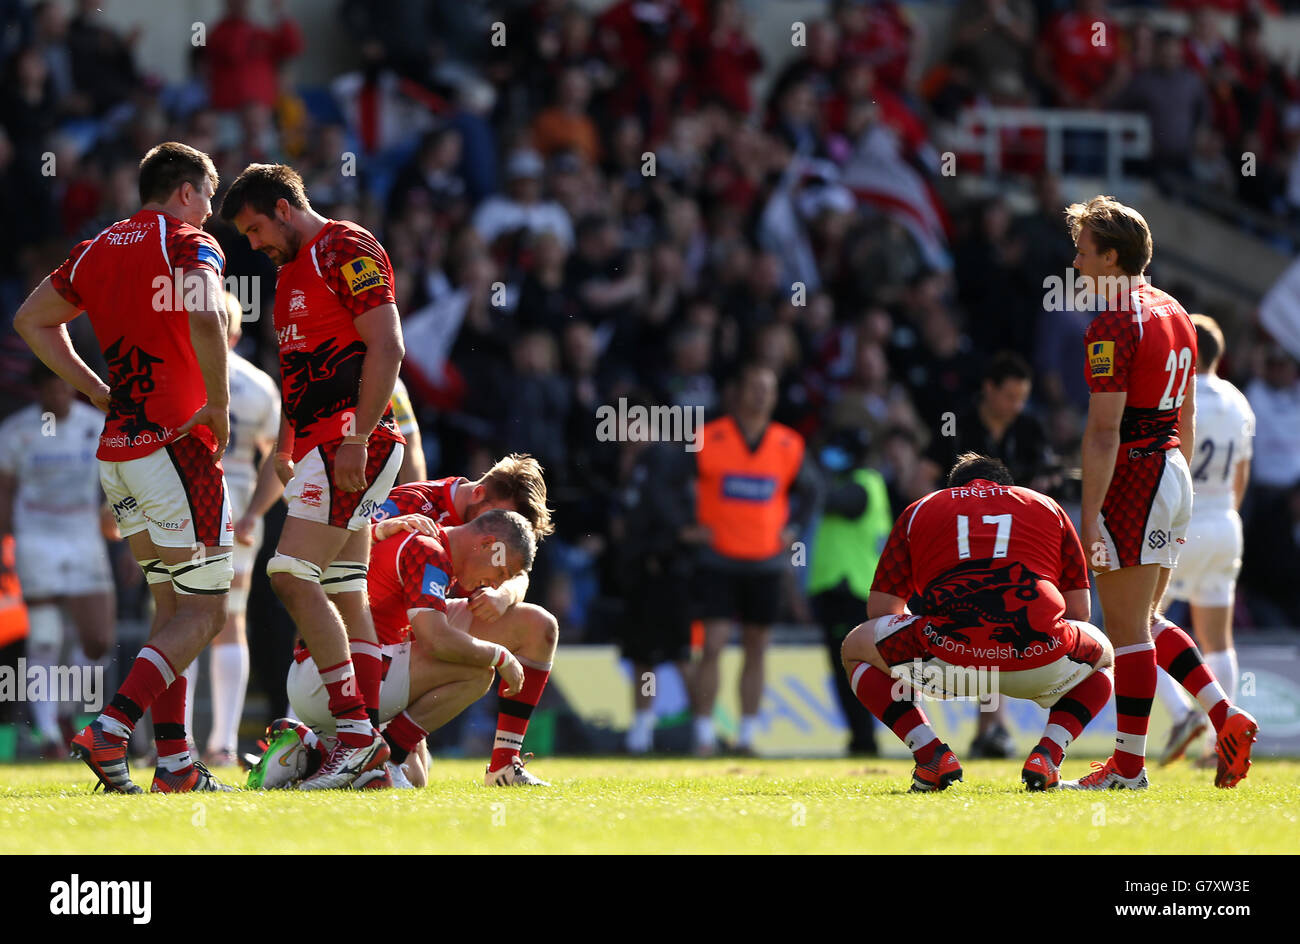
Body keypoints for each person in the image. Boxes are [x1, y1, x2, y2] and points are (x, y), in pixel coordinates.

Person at [15, 141, 234, 793]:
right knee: (208, 613)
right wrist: (217, 403)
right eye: (209, 200)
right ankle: (111, 729)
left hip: (118, 451)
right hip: (178, 446)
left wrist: (90, 388)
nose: (210, 215)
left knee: (173, 607)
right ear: (187, 192)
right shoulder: (187, 240)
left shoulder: (97, 246)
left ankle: (174, 765)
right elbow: (202, 311)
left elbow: (31, 320)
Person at [220, 162, 406, 789]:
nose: (254, 245)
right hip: (320, 446)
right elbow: (301, 371)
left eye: (253, 230)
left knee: (289, 574)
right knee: (348, 589)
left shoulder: (345, 246)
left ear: (281, 206)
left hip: (356, 444)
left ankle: (353, 735)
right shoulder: (288, 274)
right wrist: (286, 445)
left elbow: (387, 345)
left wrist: (355, 436)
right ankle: (375, 756)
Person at [1071, 194, 1256, 789]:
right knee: (1145, 620)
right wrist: (1173, 474)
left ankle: (1127, 766)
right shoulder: (1176, 311)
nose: (1075, 264)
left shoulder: (1113, 323)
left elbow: (1103, 432)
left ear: (1111, 256)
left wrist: (1091, 513)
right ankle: (1225, 715)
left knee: (1126, 631)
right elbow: (1187, 414)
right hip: (1174, 471)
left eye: (1082, 251)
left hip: (1135, 474)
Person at [841, 453, 1115, 792]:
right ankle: (1048, 755)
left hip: (948, 661)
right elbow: (1078, 613)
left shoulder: (921, 509)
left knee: (855, 646)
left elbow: (882, 611)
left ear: (953, 489)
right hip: (1037, 654)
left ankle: (930, 755)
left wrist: (930, 627)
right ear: (1007, 486)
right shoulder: (1047, 506)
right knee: (1103, 657)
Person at [280, 510, 539, 788]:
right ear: (488, 544)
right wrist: (501, 656)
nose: (496, 584)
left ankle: (309, 752)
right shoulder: (427, 549)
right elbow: (435, 639)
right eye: (500, 572)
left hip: (324, 678)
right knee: (478, 672)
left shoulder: (429, 544)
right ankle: (384, 757)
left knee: (416, 779)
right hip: (335, 681)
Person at [370, 455, 559, 785]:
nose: (504, 527)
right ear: (478, 495)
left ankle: (504, 765)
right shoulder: (413, 502)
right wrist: (380, 529)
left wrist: (504, 594)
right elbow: (348, 550)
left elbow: (520, 574)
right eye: (500, 517)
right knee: (415, 778)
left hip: (433, 621)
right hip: (384, 636)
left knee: (539, 626)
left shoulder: (494, 534)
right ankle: (323, 740)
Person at [921, 350, 1059, 757]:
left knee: (991, 627)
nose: (1016, 406)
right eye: (1010, 396)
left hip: (1012, 544)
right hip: (957, 542)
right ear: (989, 389)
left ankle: (989, 727)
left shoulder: (1030, 428)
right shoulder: (955, 424)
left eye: (1022, 397)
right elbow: (927, 476)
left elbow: (1045, 484)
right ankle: (984, 728)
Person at [691, 363, 822, 756]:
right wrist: (689, 525)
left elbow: (814, 493)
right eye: (754, 387)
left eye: (769, 388)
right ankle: (703, 736)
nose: (761, 395)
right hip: (717, 558)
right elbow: (673, 484)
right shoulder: (707, 439)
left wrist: (793, 529)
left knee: (756, 646)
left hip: (765, 561)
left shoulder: (788, 444)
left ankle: (746, 736)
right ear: (738, 392)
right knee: (711, 646)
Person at [181, 292, 281, 766]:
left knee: (179, 617)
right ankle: (220, 744)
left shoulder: (179, 374)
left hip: (182, 504)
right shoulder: (259, 386)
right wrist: (254, 514)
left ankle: (176, 743)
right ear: (238, 332)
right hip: (236, 506)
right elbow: (281, 461)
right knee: (229, 621)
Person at [0, 361, 117, 757]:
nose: (58, 395)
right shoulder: (17, 431)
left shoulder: (95, 424)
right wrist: (4, 544)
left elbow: (119, 481)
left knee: (98, 641)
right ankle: (48, 732)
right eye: (51, 389)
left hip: (84, 536)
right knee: (46, 637)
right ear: (39, 392)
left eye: (64, 387)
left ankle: (66, 709)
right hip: (36, 538)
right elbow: (4, 490)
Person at [1156, 314, 1254, 766]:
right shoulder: (1239, 402)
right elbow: (1241, 476)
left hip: (1185, 518)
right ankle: (1222, 742)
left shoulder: (1178, 394)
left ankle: (1181, 715)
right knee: (1219, 640)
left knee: (1138, 625)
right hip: (1225, 522)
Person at [806, 427, 886, 756]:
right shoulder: (842, 483)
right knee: (844, 672)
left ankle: (865, 740)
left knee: (855, 670)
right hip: (833, 590)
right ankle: (860, 738)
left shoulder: (866, 483)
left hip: (851, 589)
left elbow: (842, 504)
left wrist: (812, 474)